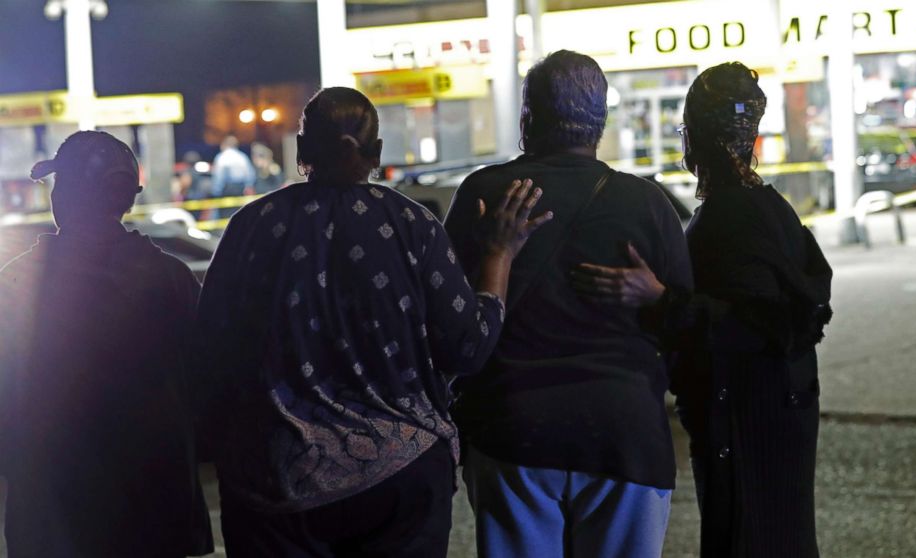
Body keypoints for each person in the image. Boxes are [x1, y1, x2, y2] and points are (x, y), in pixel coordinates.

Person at [195, 87, 551, 557]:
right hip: (401, 481)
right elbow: (468, 347)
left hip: (275, 486)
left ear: (301, 151)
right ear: (377, 153)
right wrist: (499, 257)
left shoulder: (252, 227)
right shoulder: (413, 226)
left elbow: (209, 354)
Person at [572, 62, 833, 558]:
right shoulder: (769, 206)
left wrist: (659, 299)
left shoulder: (730, 215)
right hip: (778, 411)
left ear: (697, 136)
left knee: (747, 536)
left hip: (745, 418)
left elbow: (758, 323)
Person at [443, 50, 692, 558]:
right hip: (624, 434)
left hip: (512, 434)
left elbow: (447, 317)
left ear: (527, 118)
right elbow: (683, 325)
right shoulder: (646, 202)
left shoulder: (486, 193)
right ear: (600, 122)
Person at [0, 131, 213, 558]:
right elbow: (208, 387)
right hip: (153, 501)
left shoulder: (18, 281)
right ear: (127, 199)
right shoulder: (172, 279)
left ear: (71, 195)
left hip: (54, 507)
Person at [211, 135, 256, 217]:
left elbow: (219, 176)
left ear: (224, 144)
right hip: (240, 189)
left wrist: (216, 192)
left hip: (226, 190)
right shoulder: (242, 157)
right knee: (238, 214)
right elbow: (250, 174)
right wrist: (248, 186)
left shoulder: (222, 157)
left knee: (225, 216)